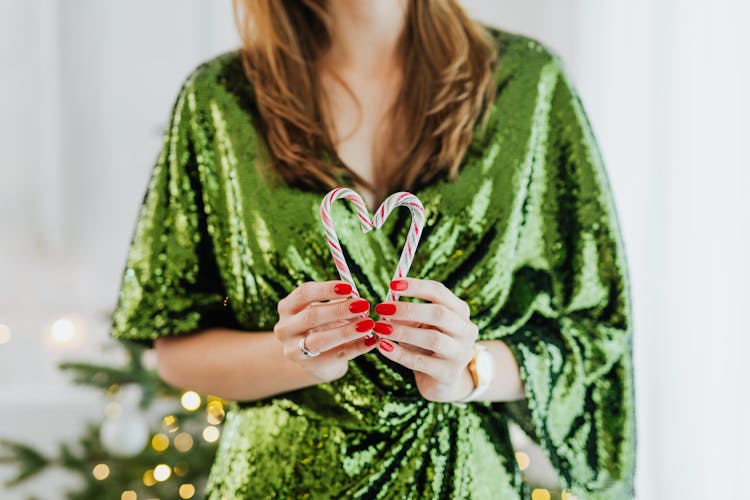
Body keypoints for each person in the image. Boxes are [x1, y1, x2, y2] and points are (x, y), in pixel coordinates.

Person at [108, 0, 636, 498]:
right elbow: (174, 348)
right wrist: (296, 356)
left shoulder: (528, 84)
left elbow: (594, 333)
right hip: (281, 480)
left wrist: (469, 368)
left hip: (465, 479)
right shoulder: (220, 99)